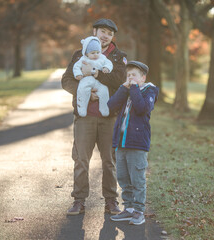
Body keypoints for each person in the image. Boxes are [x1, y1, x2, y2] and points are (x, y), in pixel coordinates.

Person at [61, 18, 127, 215]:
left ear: (112, 37)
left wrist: (96, 74)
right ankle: (79, 200)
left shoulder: (118, 57)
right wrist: (84, 93)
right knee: (81, 159)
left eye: (110, 33)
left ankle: (111, 201)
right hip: (84, 117)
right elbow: (66, 80)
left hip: (109, 117)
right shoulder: (78, 54)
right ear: (94, 32)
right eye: (103, 31)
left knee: (109, 160)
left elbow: (119, 81)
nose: (106, 35)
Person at [108, 61, 159, 225]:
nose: (130, 78)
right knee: (123, 177)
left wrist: (135, 88)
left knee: (137, 178)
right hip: (121, 142)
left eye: (134, 75)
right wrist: (124, 88)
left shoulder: (150, 91)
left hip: (137, 143)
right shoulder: (127, 91)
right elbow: (110, 105)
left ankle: (139, 211)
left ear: (143, 78)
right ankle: (128, 209)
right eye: (128, 75)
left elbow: (141, 108)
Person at [73, 36, 113, 117]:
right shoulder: (83, 59)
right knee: (82, 90)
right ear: (87, 53)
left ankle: (104, 108)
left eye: (97, 52)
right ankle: (82, 108)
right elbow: (76, 66)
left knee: (104, 91)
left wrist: (106, 68)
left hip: (99, 81)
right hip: (86, 79)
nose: (95, 55)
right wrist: (78, 74)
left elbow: (109, 63)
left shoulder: (102, 57)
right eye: (92, 53)